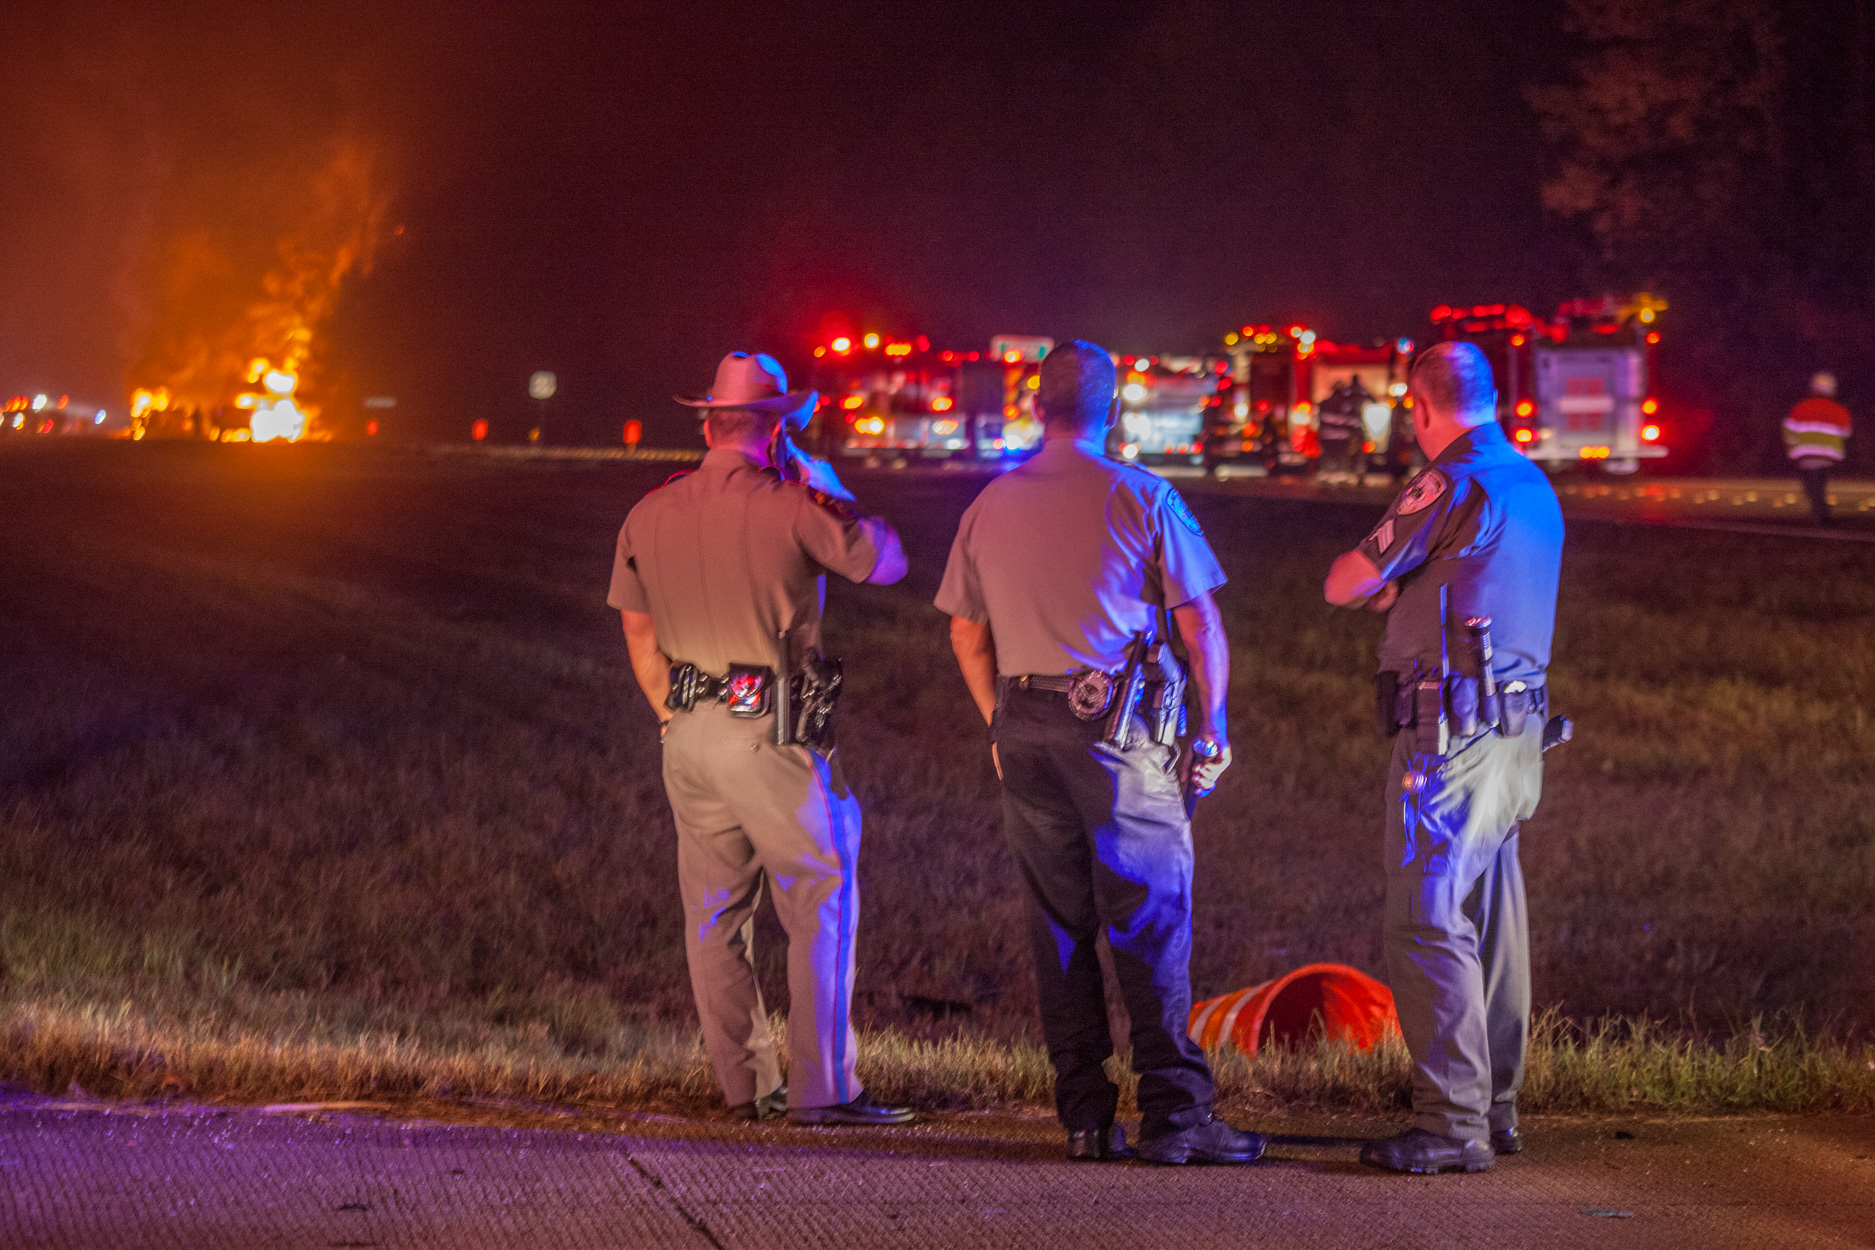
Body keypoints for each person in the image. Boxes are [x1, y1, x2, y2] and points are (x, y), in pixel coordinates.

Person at [937, 339, 1263, 1166]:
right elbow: (1198, 620)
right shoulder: (1142, 495)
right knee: (1149, 920)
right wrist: (1215, 725)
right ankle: (1176, 1117)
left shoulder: (988, 504)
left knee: (1058, 928)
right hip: (1117, 736)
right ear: (1111, 409)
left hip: (1022, 726)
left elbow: (965, 632)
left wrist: (997, 724)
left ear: (1033, 407)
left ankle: (1084, 1118)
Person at [608, 351, 915, 1127]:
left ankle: (745, 1085)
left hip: (687, 730)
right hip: (770, 730)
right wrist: (834, 491)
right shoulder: (792, 505)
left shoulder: (647, 513)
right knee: (819, 896)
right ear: (776, 429)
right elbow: (887, 563)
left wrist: (673, 717)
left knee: (713, 915)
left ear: (708, 424)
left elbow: (639, 638)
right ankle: (824, 1089)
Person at [1323, 341, 1563, 1175]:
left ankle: (1450, 1123)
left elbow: (1343, 580)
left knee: (1425, 914)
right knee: (1489, 916)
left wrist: (1387, 583)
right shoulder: (1529, 483)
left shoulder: (1451, 480)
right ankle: (1493, 1107)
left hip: (1449, 733)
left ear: (1419, 407)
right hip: (1514, 730)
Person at [1783, 372, 1852, 526]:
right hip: (1828, 455)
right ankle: (1821, 510)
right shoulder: (1839, 410)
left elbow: (1788, 430)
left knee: (1810, 484)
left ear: (1813, 389)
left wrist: (1791, 445)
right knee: (1820, 482)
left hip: (1805, 453)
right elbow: (1846, 432)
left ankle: (1818, 511)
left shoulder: (1801, 408)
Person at [1316, 380, 1361, 484]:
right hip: (1335, 436)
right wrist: (1340, 420)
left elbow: (1354, 420)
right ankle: (1330, 473)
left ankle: (1337, 473)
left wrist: (1345, 421)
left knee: (1338, 455)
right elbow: (1322, 417)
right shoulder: (1337, 403)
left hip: (1335, 436)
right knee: (1334, 455)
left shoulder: (1346, 404)